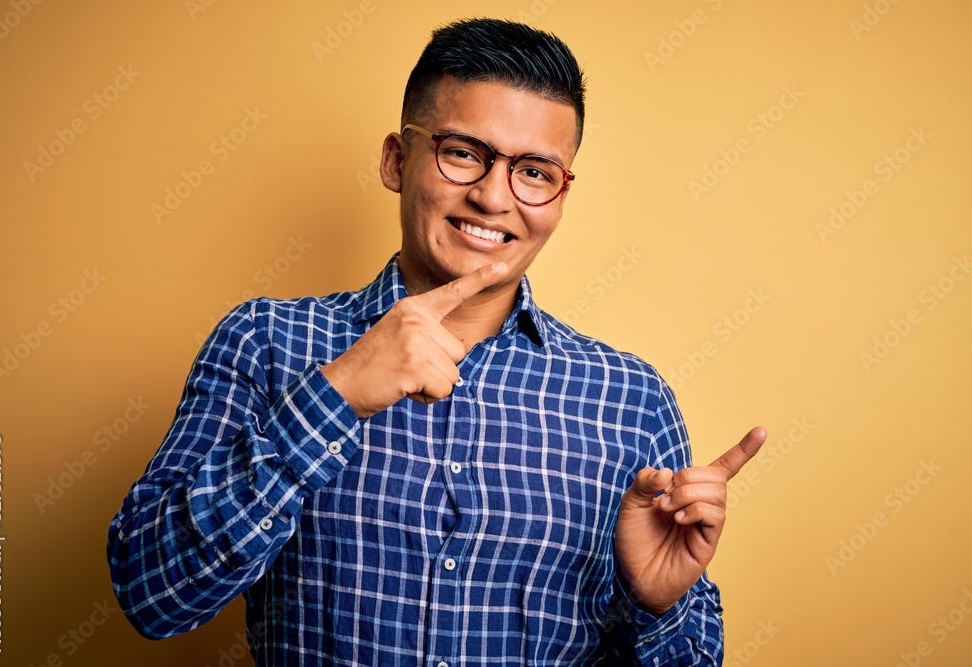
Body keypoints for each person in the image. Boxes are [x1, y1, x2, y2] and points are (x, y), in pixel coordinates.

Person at [108, 17, 765, 666]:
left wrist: (658, 603)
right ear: (397, 160)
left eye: (534, 171)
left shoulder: (631, 399)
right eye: (462, 152)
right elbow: (150, 593)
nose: (491, 197)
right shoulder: (266, 343)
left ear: (562, 193)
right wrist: (331, 397)